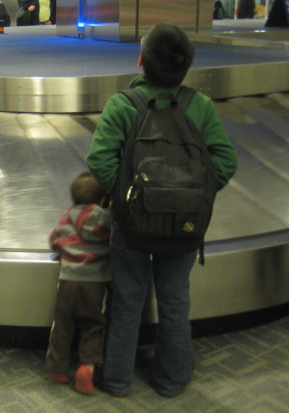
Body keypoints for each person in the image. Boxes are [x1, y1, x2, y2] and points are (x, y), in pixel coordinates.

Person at [86, 22, 238, 398]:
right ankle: (172, 379)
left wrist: (128, 198)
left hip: (132, 227)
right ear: (186, 68)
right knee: (174, 300)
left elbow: (99, 158)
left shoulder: (124, 105)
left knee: (127, 301)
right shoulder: (198, 106)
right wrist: (196, 194)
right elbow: (226, 160)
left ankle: (118, 379)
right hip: (185, 227)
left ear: (141, 61)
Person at [45, 172, 111, 395]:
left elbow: (54, 240)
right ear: (102, 199)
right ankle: (87, 367)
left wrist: (61, 250)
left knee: (62, 326)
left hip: (67, 281)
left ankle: (58, 370)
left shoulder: (66, 217)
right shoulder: (105, 219)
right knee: (93, 326)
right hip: (95, 284)